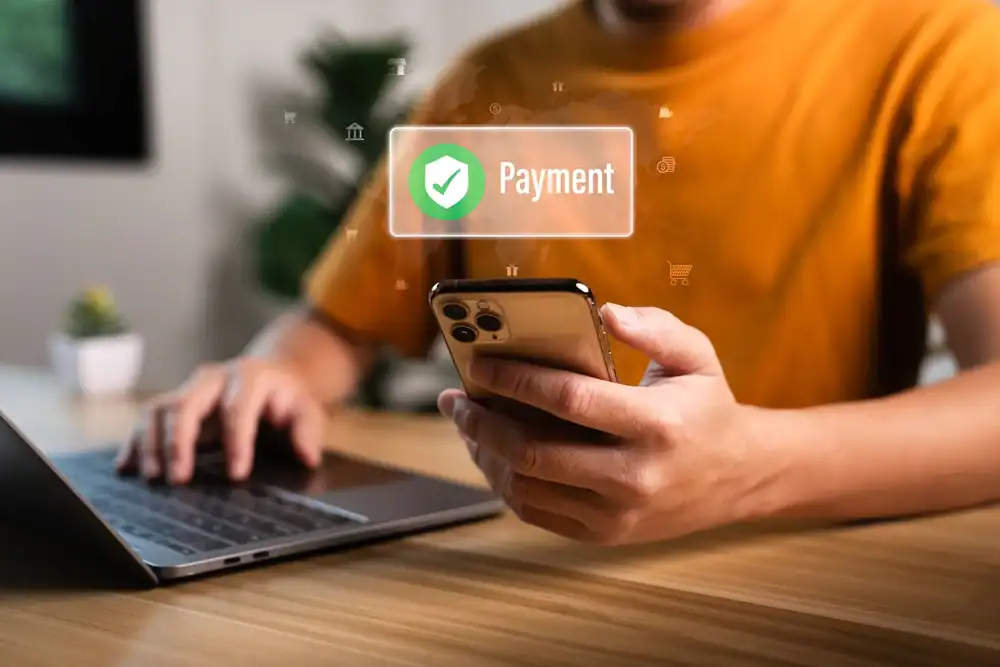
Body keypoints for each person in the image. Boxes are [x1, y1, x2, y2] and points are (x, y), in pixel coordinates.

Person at [118, 0, 1000, 545]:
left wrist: (751, 468)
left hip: (806, 590)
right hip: (517, 574)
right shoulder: (483, 83)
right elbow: (337, 328)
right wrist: (272, 371)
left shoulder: (942, 41)